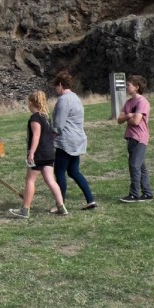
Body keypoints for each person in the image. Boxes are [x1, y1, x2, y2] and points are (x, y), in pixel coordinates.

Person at [9, 90, 67, 218]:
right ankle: (61, 206)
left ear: (31, 103)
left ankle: (25, 209)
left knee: (30, 180)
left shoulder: (35, 118)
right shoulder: (46, 117)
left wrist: (31, 153)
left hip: (39, 154)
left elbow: (36, 136)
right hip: (49, 153)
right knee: (51, 180)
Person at [52, 70, 97, 210]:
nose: (55, 89)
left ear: (60, 84)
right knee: (73, 171)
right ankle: (90, 200)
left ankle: (61, 204)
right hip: (77, 139)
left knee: (59, 172)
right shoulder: (76, 97)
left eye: (56, 86)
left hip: (66, 141)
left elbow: (59, 125)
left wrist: (48, 136)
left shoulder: (63, 100)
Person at [117, 74, 153, 202]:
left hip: (140, 138)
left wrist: (129, 116)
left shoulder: (142, 102)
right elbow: (119, 120)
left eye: (129, 85)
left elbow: (136, 121)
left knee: (134, 165)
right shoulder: (128, 102)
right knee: (140, 166)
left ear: (137, 87)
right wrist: (129, 115)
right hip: (130, 138)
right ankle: (148, 193)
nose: (126, 87)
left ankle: (134, 194)